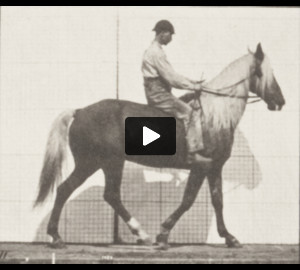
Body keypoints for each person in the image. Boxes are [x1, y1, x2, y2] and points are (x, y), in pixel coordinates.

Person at [142, 20, 212, 165]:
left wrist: (193, 83)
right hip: (159, 95)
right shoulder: (155, 52)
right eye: (170, 34)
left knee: (188, 99)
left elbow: (172, 75)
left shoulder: (156, 50)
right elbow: (172, 78)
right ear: (162, 33)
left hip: (160, 92)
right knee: (191, 114)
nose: (171, 38)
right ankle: (193, 154)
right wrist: (193, 87)